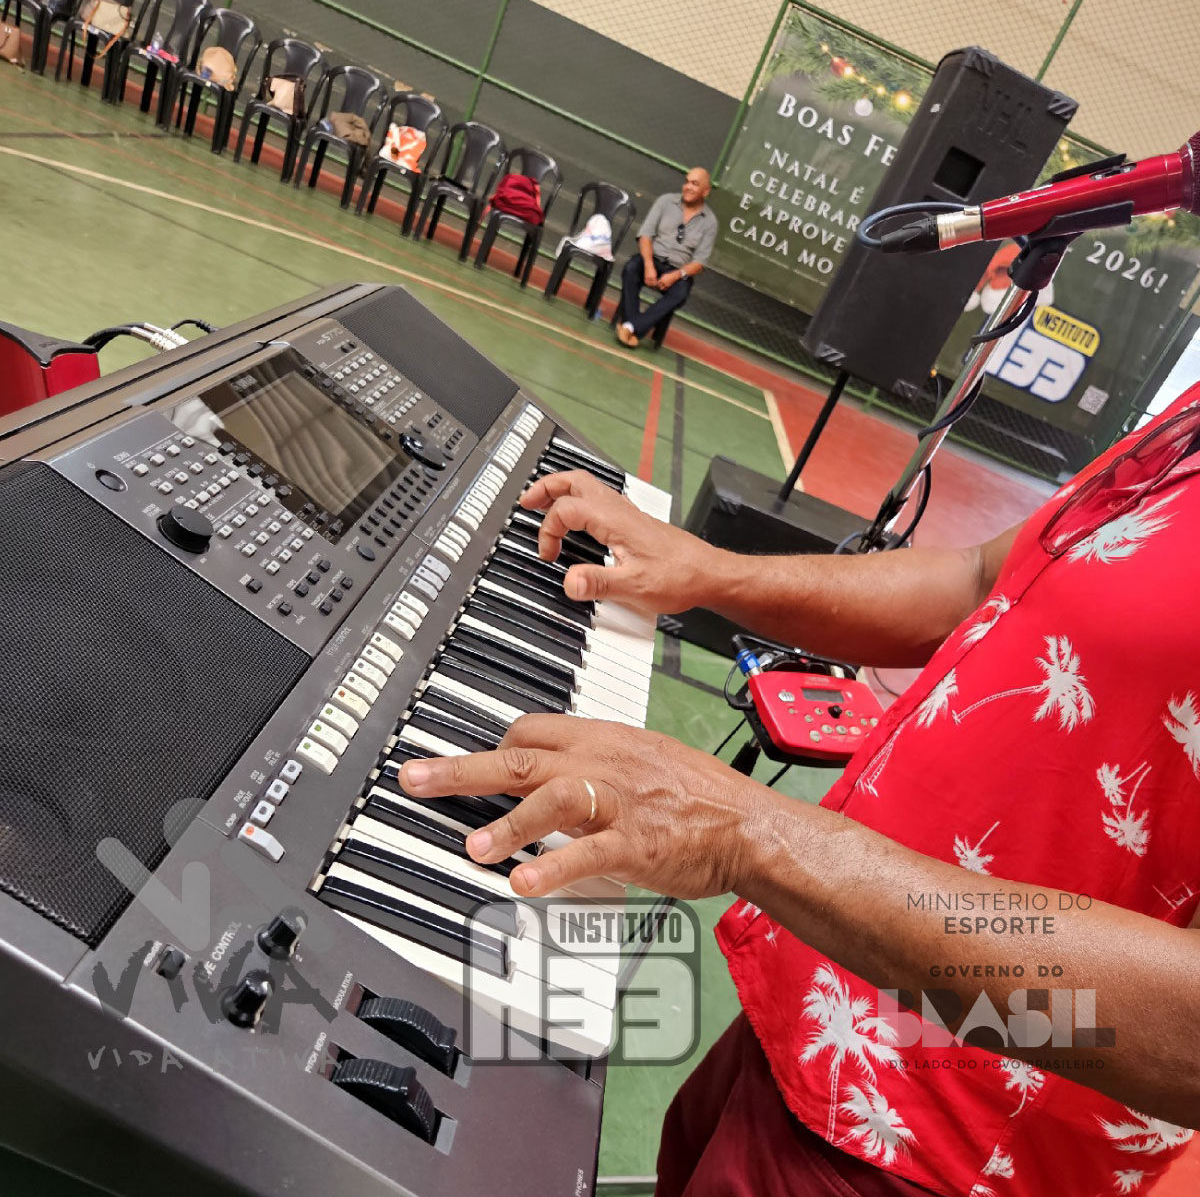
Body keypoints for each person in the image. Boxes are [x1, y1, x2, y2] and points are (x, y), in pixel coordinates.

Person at [397, 386, 1200, 1197]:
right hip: (825, 982)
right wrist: (714, 572)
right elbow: (982, 578)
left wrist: (753, 835)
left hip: (935, 1142)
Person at [616, 167, 716, 348]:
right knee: (631, 269)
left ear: (706, 191)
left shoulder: (710, 222)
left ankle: (630, 327)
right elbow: (645, 235)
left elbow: (700, 263)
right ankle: (632, 327)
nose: (688, 187)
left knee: (680, 294)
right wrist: (648, 266)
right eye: (686, 182)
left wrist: (676, 275)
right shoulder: (665, 201)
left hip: (678, 270)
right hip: (652, 258)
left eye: (695, 184)